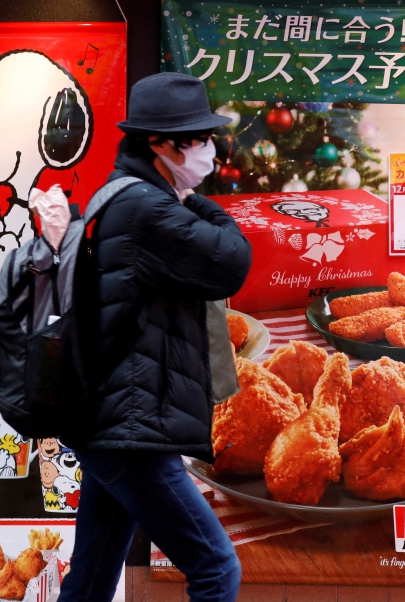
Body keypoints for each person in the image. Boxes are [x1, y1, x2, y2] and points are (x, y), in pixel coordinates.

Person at [57, 72, 251, 602]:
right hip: (132, 427)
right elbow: (230, 262)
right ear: (161, 145)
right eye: (202, 139)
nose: (212, 150)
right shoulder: (148, 208)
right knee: (215, 569)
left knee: (93, 577)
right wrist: (201, 203)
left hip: (111, 422)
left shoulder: (119, 197)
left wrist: (186, 198)